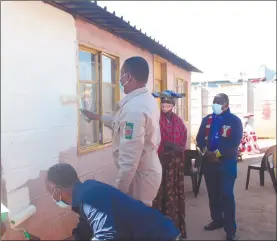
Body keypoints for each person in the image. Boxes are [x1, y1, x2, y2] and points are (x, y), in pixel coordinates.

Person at [81, 56, 162, 206]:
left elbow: (129, 161)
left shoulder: (134, 109)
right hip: (146, 172)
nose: (119, 81)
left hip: (138, 179)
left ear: (129, 77)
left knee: (136, 223)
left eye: (121, 76)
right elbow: (119, 123)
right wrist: (96, 117)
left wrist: (117, 194)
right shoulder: (144, 100)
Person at [45, 163, 180, 241]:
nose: (52, 197)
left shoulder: (89, 198)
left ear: (57, 191)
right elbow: (83, 231)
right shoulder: (87, 190)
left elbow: (105, 237)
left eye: (50, 192)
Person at [196, 93, 243, 241]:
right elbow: (199, 139)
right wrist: (206, 153)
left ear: (226, 104)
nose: (215, 104)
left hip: (226, 164)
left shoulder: (234, 121)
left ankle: (230, 230)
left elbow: (234, 143)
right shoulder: (207, 120)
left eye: (218, 102)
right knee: (213, 195)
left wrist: (216, 154)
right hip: (209, 163)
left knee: (226, 195)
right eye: (214, 101)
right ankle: (217, 220)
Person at [151, 90, 187, 239]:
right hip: (160, 164)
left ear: (173, 105)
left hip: (175, 166)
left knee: (174, 197)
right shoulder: (156, 120)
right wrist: (169, 146)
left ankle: (176, 229)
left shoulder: (178, 121)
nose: (165, 105)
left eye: (169, 103)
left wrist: (178, 149)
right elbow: (155, 140)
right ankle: (159, 231)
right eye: (163, 102)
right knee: (160, 196)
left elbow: (183, 139)